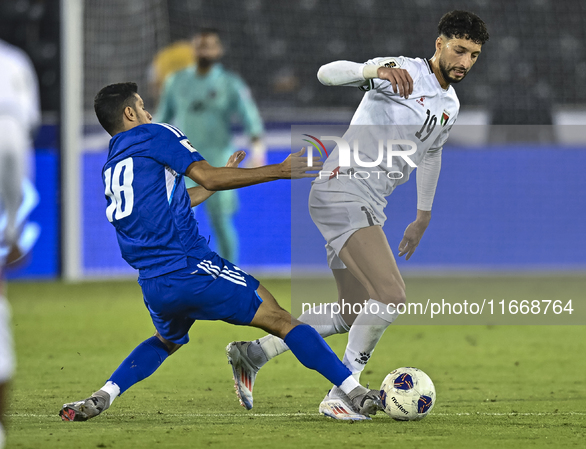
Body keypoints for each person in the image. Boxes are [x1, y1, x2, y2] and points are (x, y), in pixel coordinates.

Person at [59, 82, 383, 422]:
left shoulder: (113, 163)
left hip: (154, 285)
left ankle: (103, 395)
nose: (148, 112)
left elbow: (178, 200)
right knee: (281, 320)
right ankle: (356, 393)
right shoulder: (156, 134)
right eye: (141, 106)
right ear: (129, 113)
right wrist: (278, 170)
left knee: (166, 340)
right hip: (191, 267)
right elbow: (209, 177)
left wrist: (215, 180)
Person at [227, 10, 489, 420]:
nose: (465, 62)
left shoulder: (450, 104)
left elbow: (432, 153)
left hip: (367, 199)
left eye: (473, 55)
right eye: (459, 50)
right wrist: (375, 70)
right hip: (342, 188)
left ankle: (255, 353)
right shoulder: (402, 71)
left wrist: (423, 214)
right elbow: (326, 74)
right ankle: (342, 391)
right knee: (392, 295)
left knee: (353, 311)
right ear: (439, 44)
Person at [154, 28, 265, 263]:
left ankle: (231, 272)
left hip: (218, 159)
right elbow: (161, 118)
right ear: (193, 49)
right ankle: (182, 272)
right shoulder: (176, 81)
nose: (203, 50)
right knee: (180, 218)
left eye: (209, 46)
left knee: (221, 221)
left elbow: (250, 116)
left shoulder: (229, 83)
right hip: (183, 161)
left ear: (218, 50)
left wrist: (258, 148)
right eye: (199, 45)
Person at [0, 38, 41, 447]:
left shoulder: (16, 57)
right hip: (13, 129)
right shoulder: (16, 57)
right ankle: (11, 237)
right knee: (14, 202)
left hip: (9, 127)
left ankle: (10, 238)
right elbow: (29, 116)